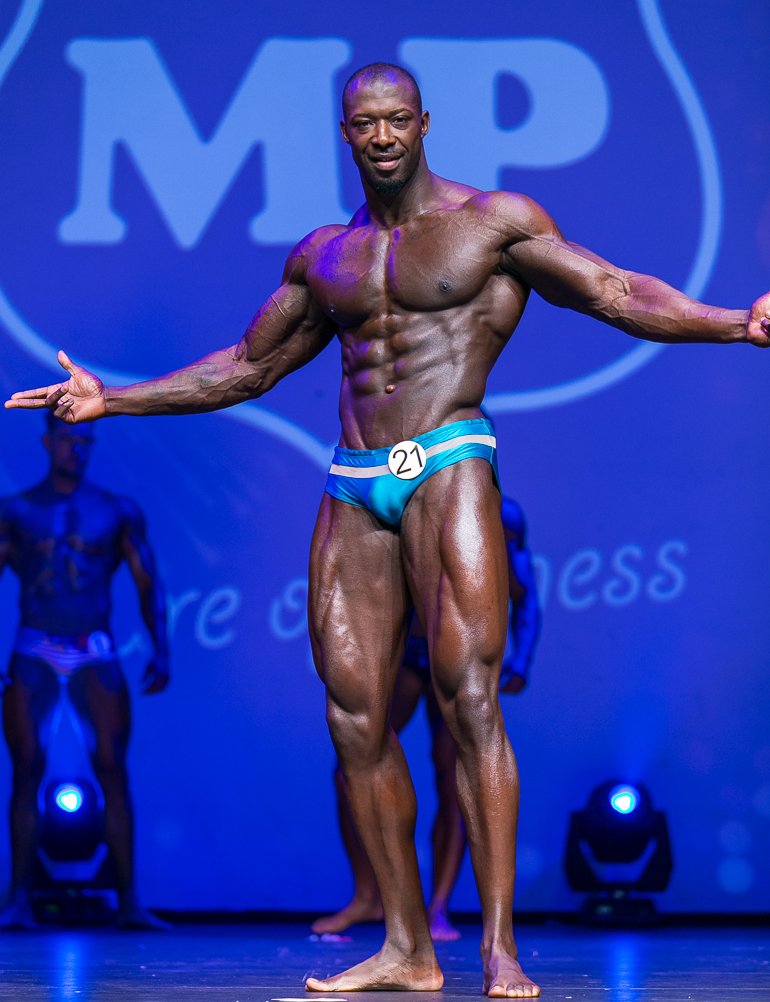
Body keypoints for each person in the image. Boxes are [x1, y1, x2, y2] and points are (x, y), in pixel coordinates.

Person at [5, 61, 769, 996]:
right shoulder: (325, 256)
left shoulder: (492, 223)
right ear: (345, 132)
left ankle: (498, 948)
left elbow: (614, 291)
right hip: (354, 478)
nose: (382, 136)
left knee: (469, 700)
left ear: (423, 123)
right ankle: (407, 947)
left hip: (448, 458)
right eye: (365, 122)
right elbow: (244, 366)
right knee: (354, 718)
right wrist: (113, 400)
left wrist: (737, 324)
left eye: (397, 120)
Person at [312, 495, 539, 942]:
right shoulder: (400, 497)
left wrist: (523, 658)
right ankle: (367, 896)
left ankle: (438, 908)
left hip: (458, 646)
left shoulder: (501, 513)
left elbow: (523, 591)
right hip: (407, 648)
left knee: (456, 776)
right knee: (353, 763)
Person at [0, 414, 170, 930]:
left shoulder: (115, 511)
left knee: (113, 770)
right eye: (68, 441)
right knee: (26, 771)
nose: (77, 450)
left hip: (93, 646)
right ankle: (18, 899)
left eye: (84, 442)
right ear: (48, 442)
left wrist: (162, 649)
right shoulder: (17, 510)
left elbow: (148, 583)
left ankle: (130, 901)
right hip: (35, 644)